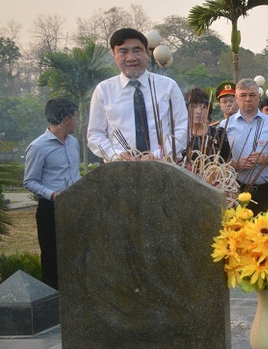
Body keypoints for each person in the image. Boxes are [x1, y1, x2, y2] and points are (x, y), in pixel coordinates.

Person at [87, 28, 188, 161]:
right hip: (120, 170)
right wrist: (116, 155)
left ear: (146, 51)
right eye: (123, 51)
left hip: (165, 168)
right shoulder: (104, 90)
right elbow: (95, 134)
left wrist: (159, 154)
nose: (131, 58)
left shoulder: (168, 86)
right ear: (114, 54)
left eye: (136, 50)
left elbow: (183, 128)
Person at [23, 98, 81, 290]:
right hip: (51, 209)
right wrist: (53, 195)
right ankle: (52, 305)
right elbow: (29, 181)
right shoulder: (38, 147)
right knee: (52, 257)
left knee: (75, 254)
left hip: (74, 207)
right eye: (75, 117)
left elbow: (75, 174)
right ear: (66, 119)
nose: (77, 122)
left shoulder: (73, 143)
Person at [221, 78, 268, 214]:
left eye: (252, 95)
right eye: (243, 95)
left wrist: (267, 159)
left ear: (258, 97)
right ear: (236, 98)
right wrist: (236, 164)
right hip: (235, 191)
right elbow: (218, 162)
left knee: (266, 232)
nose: (247, 99)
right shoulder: (225, 126)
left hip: (266, 191)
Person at [182, 87, 231, 161]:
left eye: (203, 107)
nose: (198, 111)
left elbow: (227, 161)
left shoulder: (218, 134)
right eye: (193, 107)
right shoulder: (180, 135)